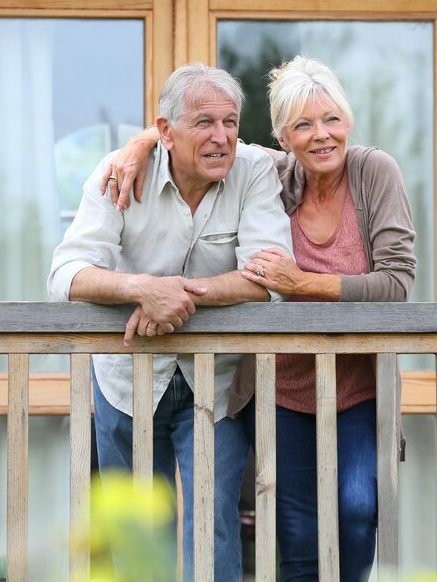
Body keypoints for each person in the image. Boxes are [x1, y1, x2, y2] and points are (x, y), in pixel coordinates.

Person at [103, 55, 416, 582]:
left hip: (357, 388)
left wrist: (301, 283)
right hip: (280, 391)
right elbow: (200, 137)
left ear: (348, 121)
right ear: (283, 138)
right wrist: (139, 144)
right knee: (296, 538)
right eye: (304, 125)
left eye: (332, 119)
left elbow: (397, 283)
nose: (322, 135)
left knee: (358, 512)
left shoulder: (374, 172)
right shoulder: (268, 173)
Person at [48, 63, 293, 581]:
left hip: (217, 380)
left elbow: (270, 277)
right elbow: (66, 274)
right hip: (125, 378)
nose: (221, 137)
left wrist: (178, 297)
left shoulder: (254, 170)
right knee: (139, 539)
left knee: (213, 529)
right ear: (165, 131)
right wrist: (142, 289)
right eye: (204, 122)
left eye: (230, 122)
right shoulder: (117, 172)